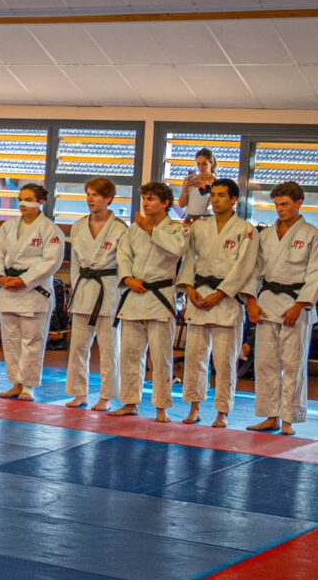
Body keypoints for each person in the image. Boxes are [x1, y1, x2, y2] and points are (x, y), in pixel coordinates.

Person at [246, 182, 318, 434]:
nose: (280, 209)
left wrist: (301, 304)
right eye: (277, 204)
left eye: (285, 204)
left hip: (296, 305)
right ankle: (270, 415)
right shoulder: (266, 235)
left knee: (292, 364)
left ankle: (289, 419)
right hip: (268, 302)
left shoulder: (314, 235)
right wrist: (251, 300)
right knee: (265, 362)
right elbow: (254, 271)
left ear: (299, 203)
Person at [181, 179, 258, 426]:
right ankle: (194, 406)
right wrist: (189, 289)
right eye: (213, 195)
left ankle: (222, 411)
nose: (215, 200)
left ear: (234, 199)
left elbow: (245, 267)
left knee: (224, 360)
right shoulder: (199, 227)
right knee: (195, 357)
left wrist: (221, 293)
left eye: (221, 195)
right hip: (200, 296)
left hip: (226, 300)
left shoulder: (246, 230)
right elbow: (189, 261)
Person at [116, 182, 186, 419]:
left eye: (152, 199)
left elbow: (177, 250)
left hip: (160, 297)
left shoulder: (176, 229)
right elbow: (123, 255)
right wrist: (127, 278)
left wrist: (151, 230)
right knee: (130, 354)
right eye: (144, 198)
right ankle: (129, 402)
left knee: (161, 356)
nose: (145, 203)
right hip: (135, 295)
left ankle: (161, 406)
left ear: (165, 203)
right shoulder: (132, 229)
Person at [0, 182, 63, 401]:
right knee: (10, 340)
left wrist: (24, 280)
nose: (22, 203)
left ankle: (28, 385)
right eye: (21, 198)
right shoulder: (8, 227)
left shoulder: (50, 229)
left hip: (33, 290)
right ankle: (15, 382)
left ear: (41, 201)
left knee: (32, 340)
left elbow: (51, 261)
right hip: (8, 288)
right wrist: (0, 276)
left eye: (29, 199)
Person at [62, 177, 126, 410]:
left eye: (96, 195)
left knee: (109, 348)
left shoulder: (119, 228)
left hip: (109, 291)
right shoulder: (78, 226)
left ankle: (106, 396)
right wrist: (74, 289)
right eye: (88, 194)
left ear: (108, 198)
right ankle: (79, 393)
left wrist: (121, 294)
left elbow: (124, 265)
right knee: (78, 345)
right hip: (83, 290)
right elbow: (75, 264)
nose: (90, 199)